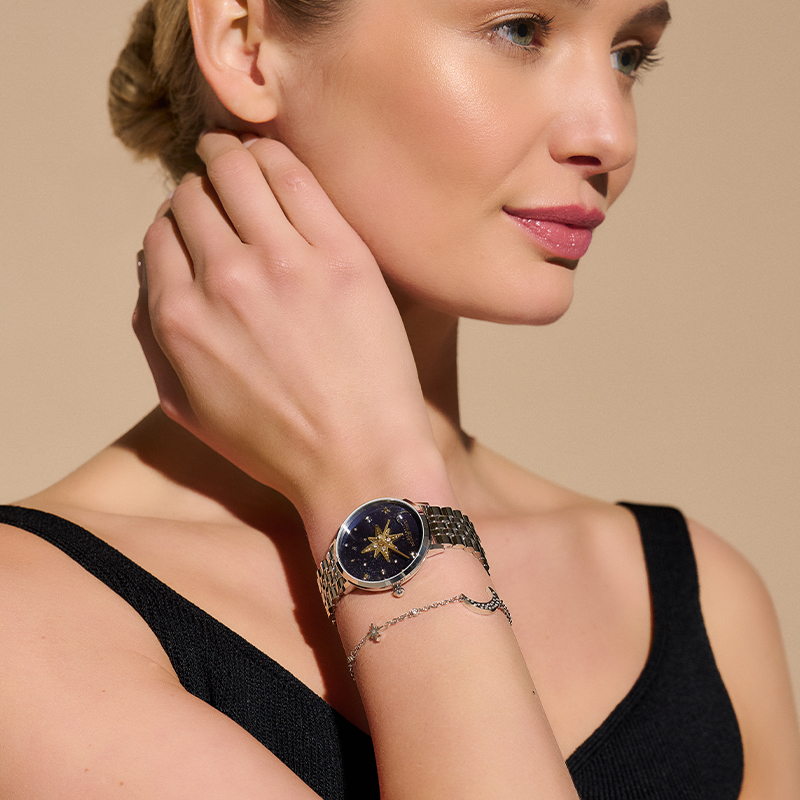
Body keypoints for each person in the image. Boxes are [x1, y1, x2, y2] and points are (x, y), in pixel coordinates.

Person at [1, 0, 798, 797]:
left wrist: (370, 484)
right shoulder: (28, 621)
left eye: (628, 55)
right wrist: (371, 485)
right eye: (520, 30)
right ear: (245, 45)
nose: (611, 137)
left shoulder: (695, 597)